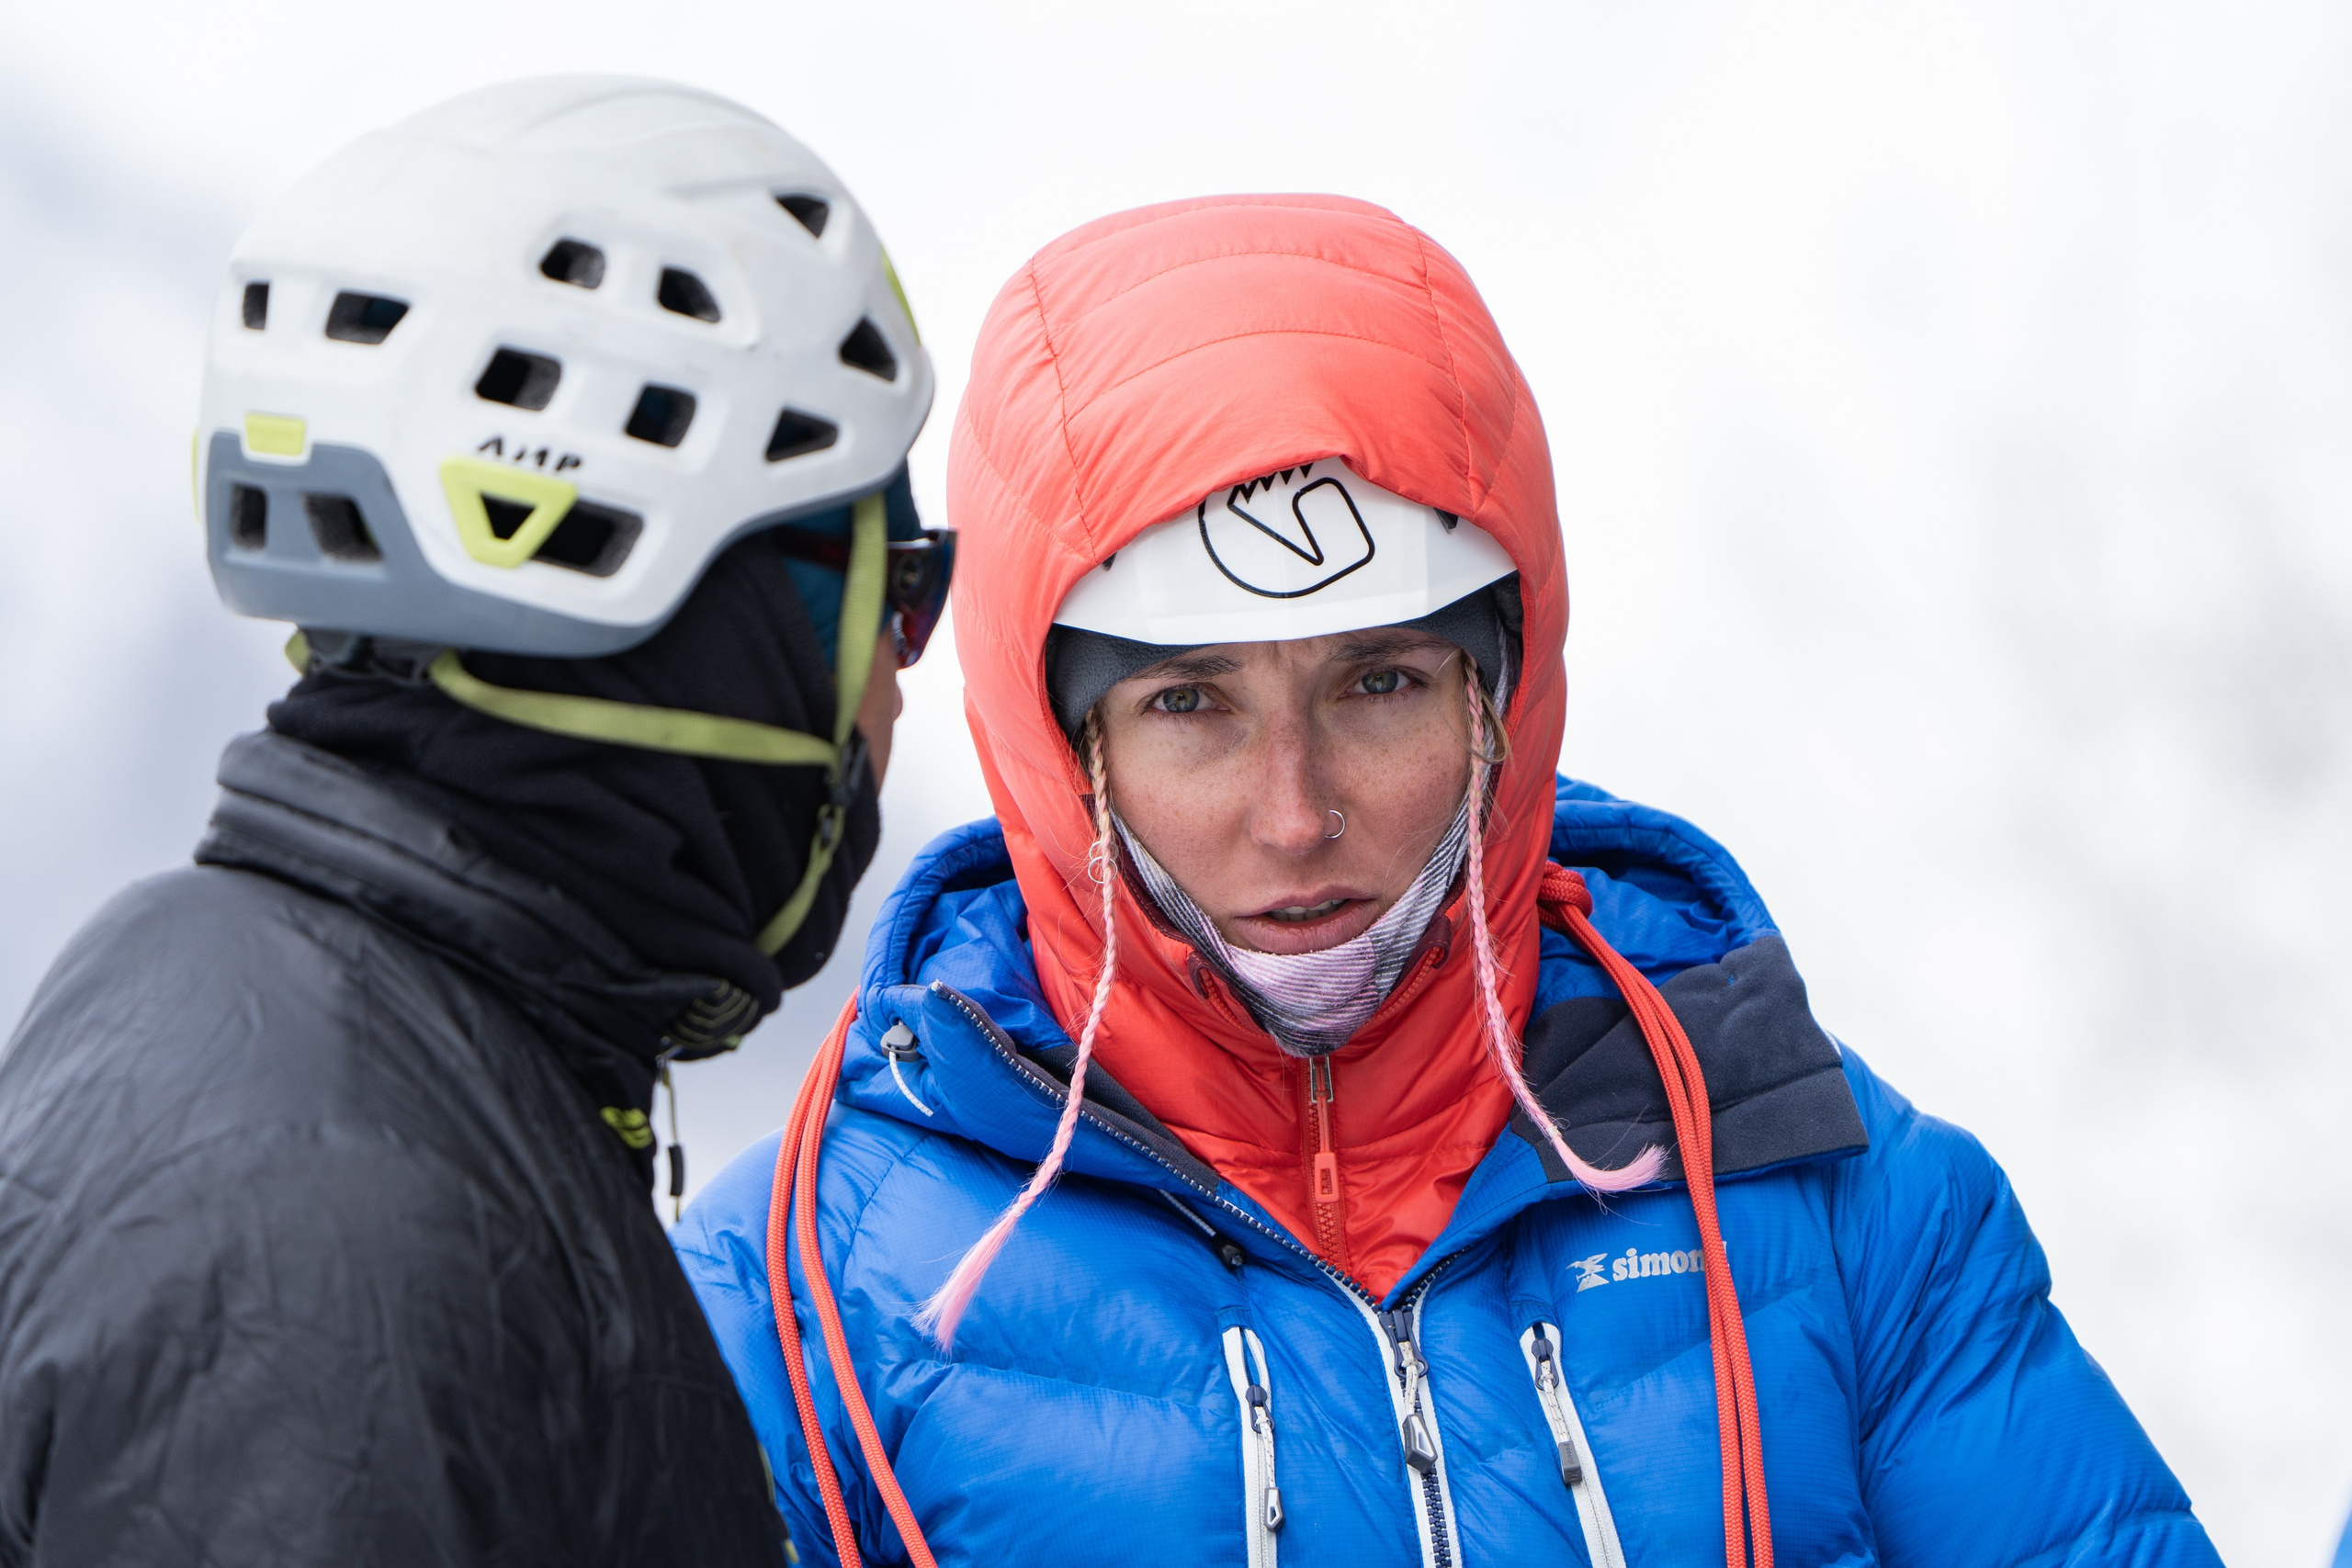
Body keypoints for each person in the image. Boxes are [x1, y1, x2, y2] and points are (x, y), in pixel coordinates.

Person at [673, 195, 2220, 1566]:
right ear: (1050, 736)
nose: (1296, 815)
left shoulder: (1833, 1198)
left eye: (1384, 687)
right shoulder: (795, 1293)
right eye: (1190, 705)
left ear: (1507, 693)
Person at [0, 75, 944, 1564]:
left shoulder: (234, 978)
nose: (899, 686)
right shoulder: (348, 1247)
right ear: (710, 620)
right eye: (891, 591)